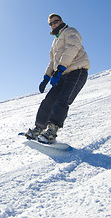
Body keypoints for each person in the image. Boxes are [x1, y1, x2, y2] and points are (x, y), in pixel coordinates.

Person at [25, 13, 90, 144]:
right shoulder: (55, 41)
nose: (53, 24)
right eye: (51, 23)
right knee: (48, 101)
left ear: (61, 21)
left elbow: (72, 49)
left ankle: (52, 131)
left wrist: (60, 69)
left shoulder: (70, 31)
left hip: (77, 72)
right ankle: (39, 128)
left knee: (62, 100)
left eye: (56, 21)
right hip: (62, 74)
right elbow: (52, 62)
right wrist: (46, 77)